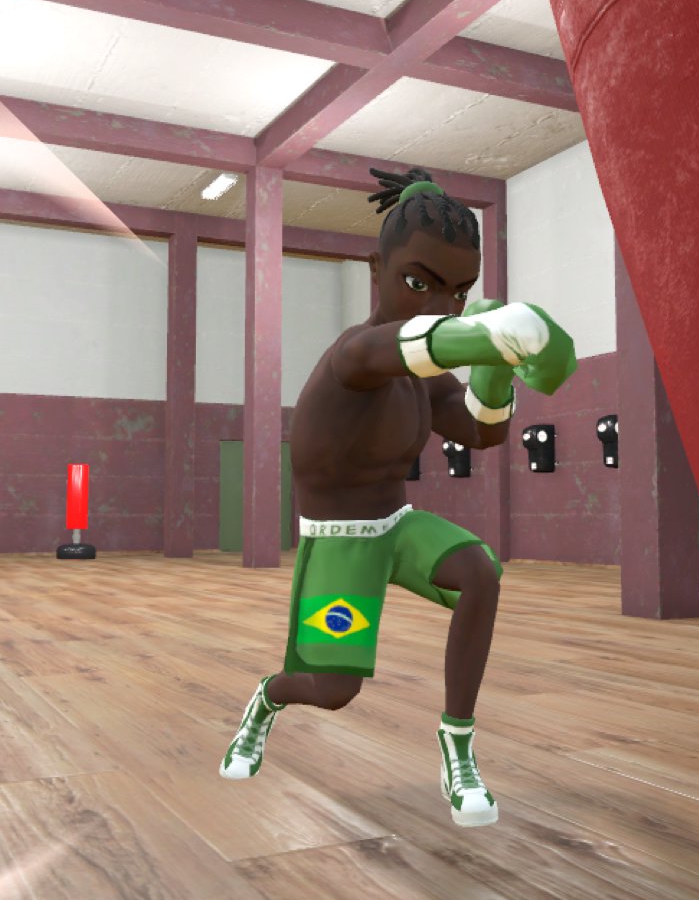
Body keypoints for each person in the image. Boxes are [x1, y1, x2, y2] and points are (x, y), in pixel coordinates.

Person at [219, 165, 576, 826]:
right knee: (333, 691)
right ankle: (267, 698)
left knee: (480, 572)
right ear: (376, 269)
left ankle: (457, 745)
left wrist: (497, 369)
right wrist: (491, 335)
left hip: (398, 526)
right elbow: (416, 343)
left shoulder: (424, 378)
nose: (440, 304)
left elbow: (482, 431)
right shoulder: (355, 355)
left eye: (458, 291)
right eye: (419, 283)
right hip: (339, 546)